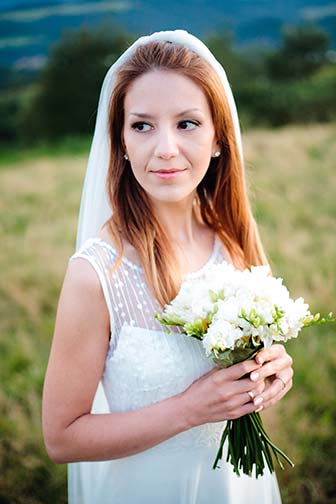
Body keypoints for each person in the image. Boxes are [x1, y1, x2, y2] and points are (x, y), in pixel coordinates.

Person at [42, 30, 293, 503]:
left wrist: (268, 376)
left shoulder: (231, 242)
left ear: (219, 138)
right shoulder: (96, 274)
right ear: (120, 141)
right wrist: (188, 410)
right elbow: (61, 438)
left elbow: (242, 387)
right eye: (142, 125)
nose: (165, 149)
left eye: (187, 123)